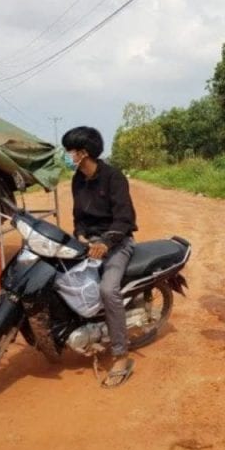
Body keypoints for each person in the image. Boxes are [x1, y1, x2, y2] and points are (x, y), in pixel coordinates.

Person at [62, 126, 138, 388]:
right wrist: (80, 235)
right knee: (63, 278)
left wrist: (106, 242)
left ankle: (121, 356)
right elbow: (78, 218)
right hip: (89, 243)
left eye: (69, 151)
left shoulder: (114, 177)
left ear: (83, 153)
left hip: (118, 243)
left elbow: (125, 219)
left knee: (107, 289)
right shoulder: (77, 179)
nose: (67, 155)